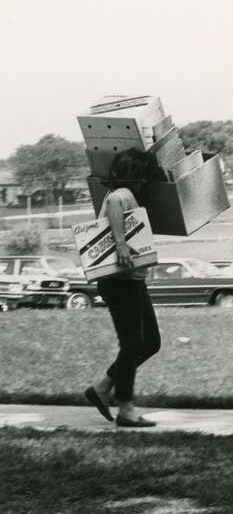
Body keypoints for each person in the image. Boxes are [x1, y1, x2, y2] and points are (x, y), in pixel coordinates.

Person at [83, 149, 163, 428]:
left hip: (132, 281)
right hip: (120, 282)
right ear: (136, 174)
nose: (146, 182)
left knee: (151, 342)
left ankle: (103, 387)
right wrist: (119, 244)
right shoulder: (123, 193)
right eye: (144, 175)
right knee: (132, 344)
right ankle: (126, 408)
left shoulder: (128, 194)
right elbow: (117, 202)